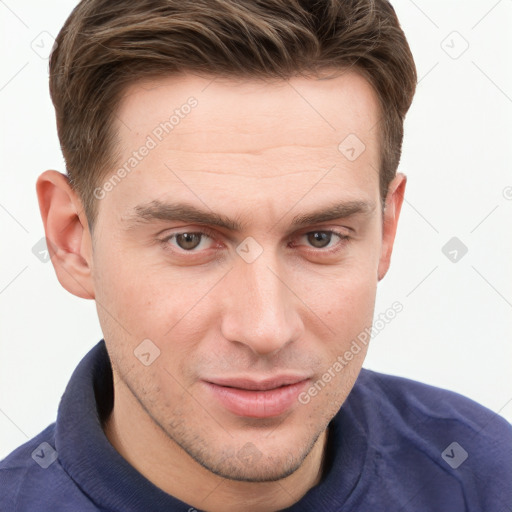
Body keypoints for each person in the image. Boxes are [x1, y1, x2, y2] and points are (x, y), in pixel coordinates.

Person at [1, 0, 511, 510]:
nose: (265, 329)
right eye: (190, 240)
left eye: (320, 238)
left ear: (387, 228)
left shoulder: (488, 479)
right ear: (72, 240)